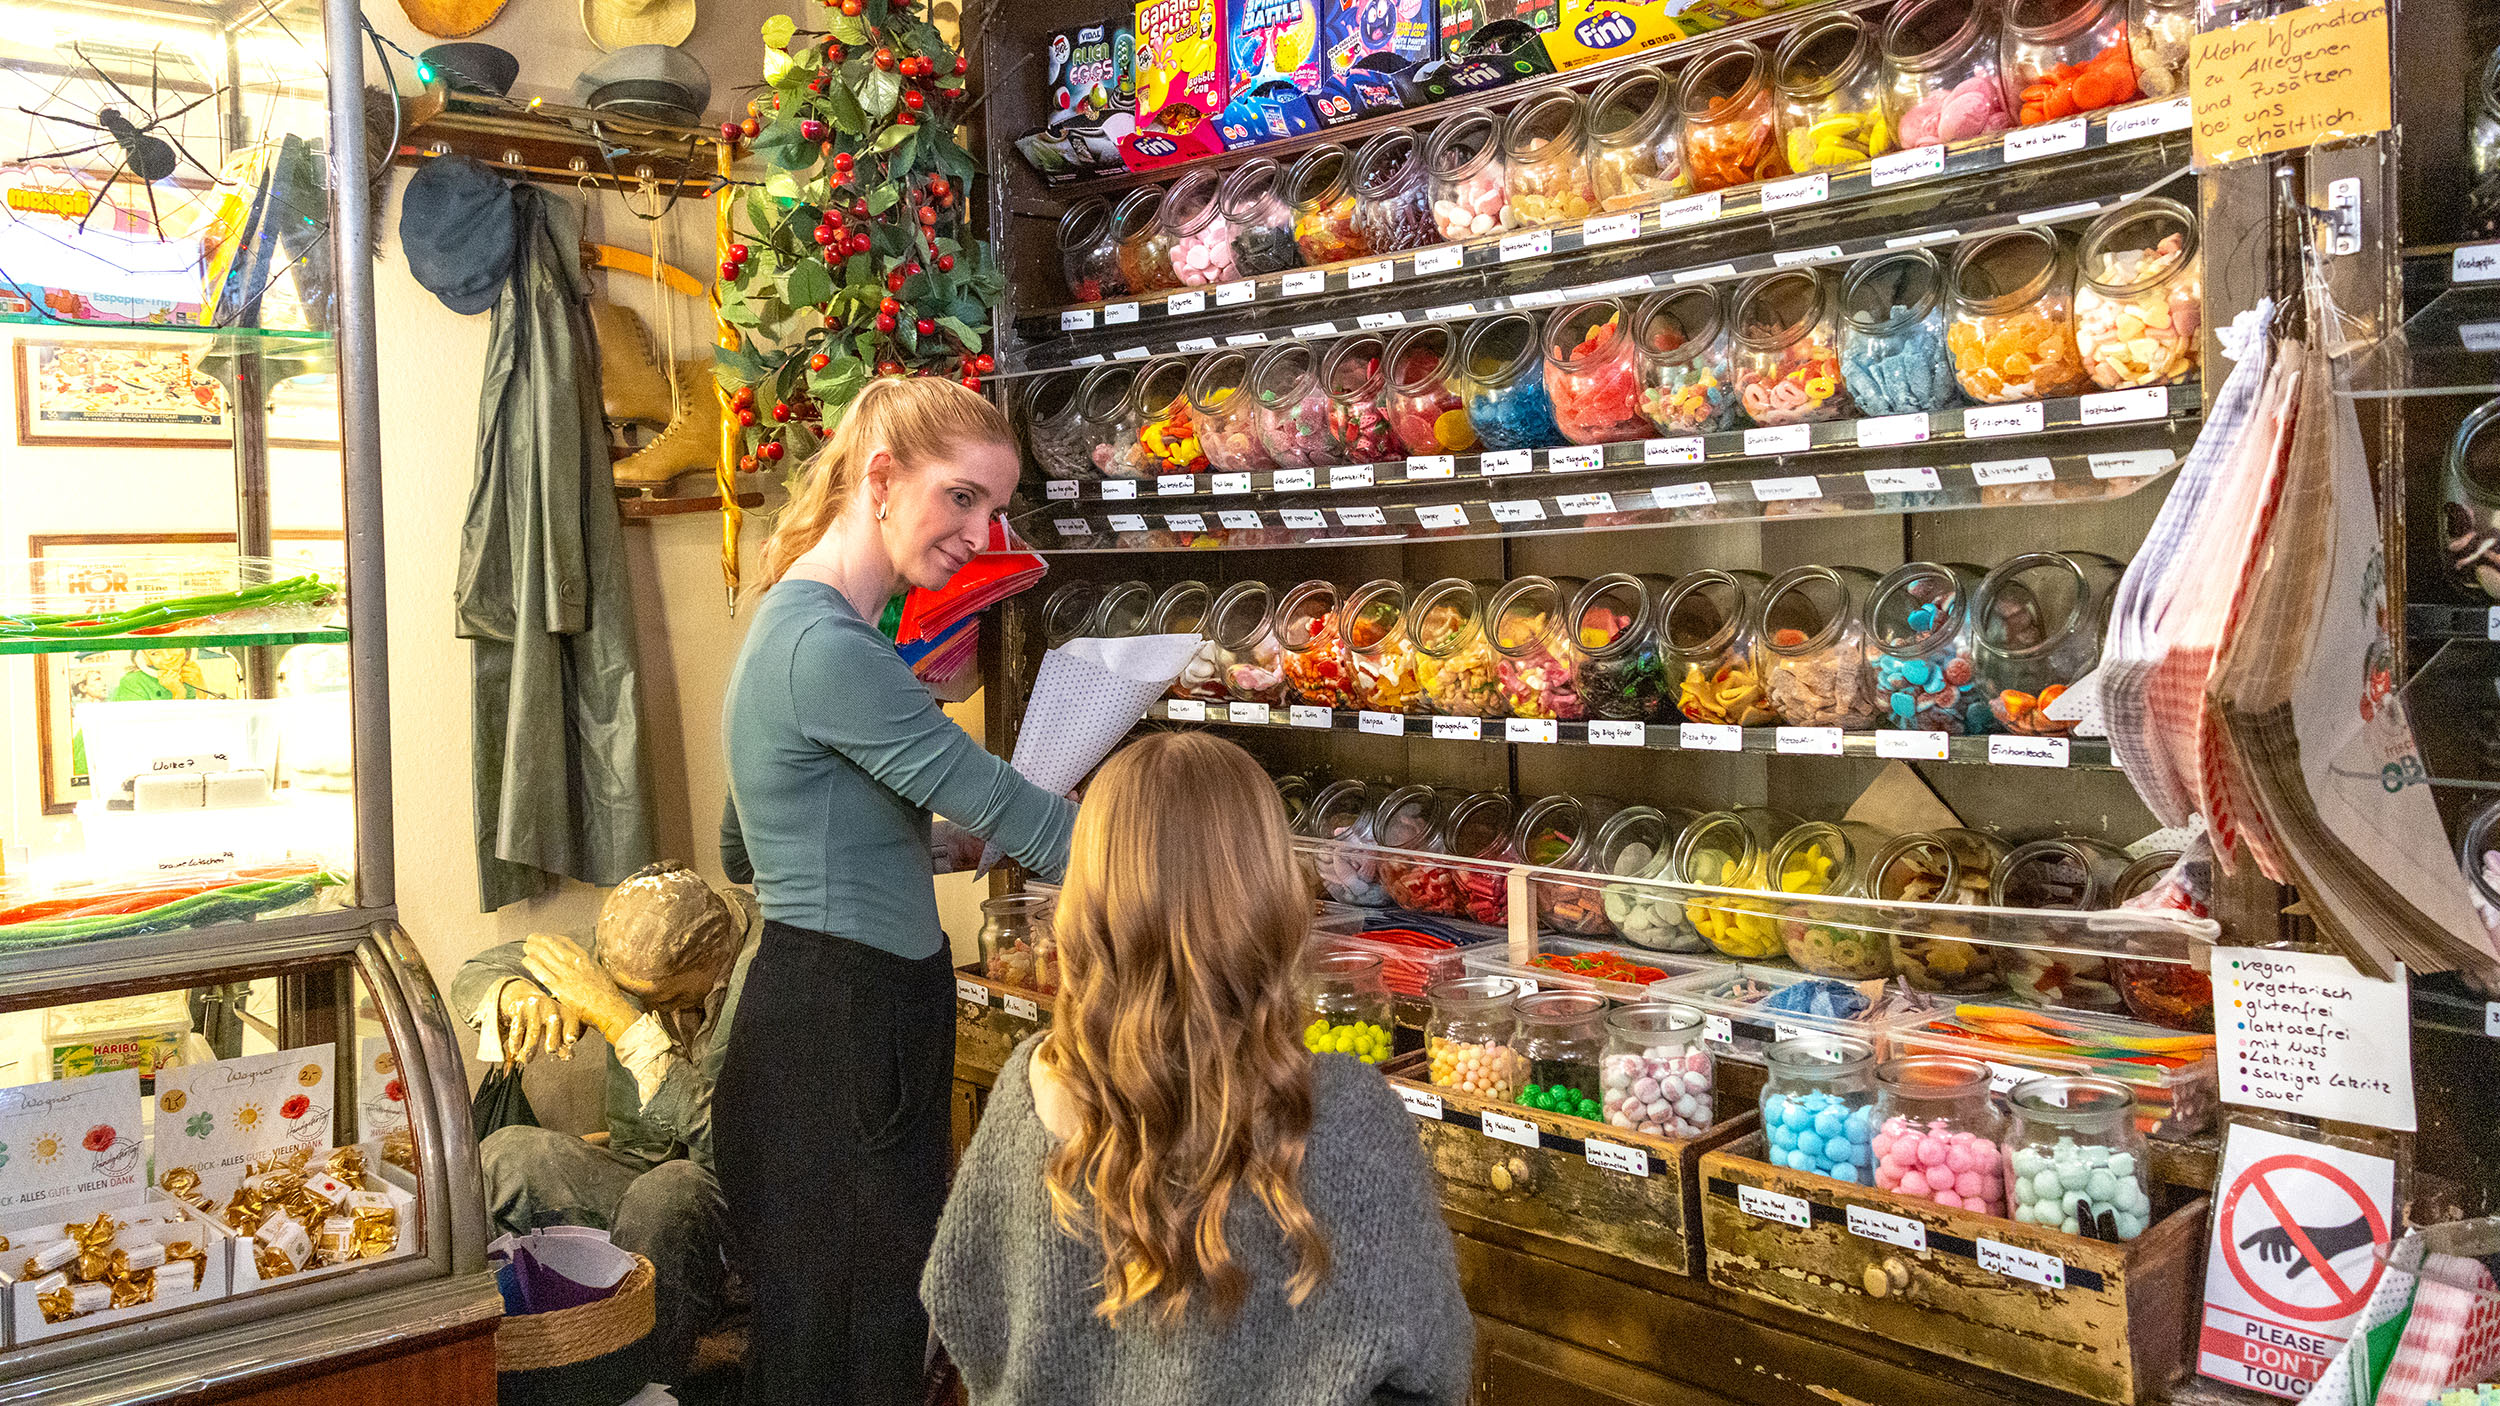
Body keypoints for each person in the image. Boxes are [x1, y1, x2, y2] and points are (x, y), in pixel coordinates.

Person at [923, 732, 1475, 1405]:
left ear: (1088, 891)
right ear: (1272, 891)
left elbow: (957, 1303)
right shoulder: (1345, 1110)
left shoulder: (1025, 1090)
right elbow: (1434, 1362)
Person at [716, 376, 1075, 1406]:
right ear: (881, 478)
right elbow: (1031, 819)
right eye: (963, 497)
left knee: (827, 1342)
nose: (983, 533)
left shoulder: (795, 623)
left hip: (815, 1013)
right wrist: (1211, 869)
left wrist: (920, 839)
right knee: (858, 1351)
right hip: (843, 1028)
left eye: (998, 509)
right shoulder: (834, 650)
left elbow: (749, 843)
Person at [448, 859, 756, 1384]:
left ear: (717, 956)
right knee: (505, 1156)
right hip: (640, 1172)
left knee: (667, 1191)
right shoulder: (633, 945)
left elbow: (739, 1153)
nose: (651, 1008)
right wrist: (518, 995)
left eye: (670, 1000)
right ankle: (472, 1363)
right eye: (636, 997)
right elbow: (478, 970)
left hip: (740, 1201)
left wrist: (621, 1020)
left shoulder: (771, 977)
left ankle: (653, 1382)